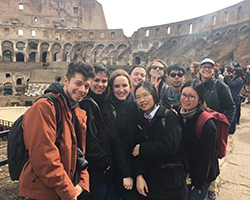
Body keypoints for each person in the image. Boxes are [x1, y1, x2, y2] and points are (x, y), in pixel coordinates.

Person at [19, 61, 94, 200]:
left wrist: (83, 182)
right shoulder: (44, 107)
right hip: (42, 192)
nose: (82, 90)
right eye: (78, 84)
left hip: (64, 188)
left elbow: (80, 152)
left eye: (86, 86)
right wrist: (68, 192)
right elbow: (44, 157)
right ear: (66, 81)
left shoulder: (76, 111)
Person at [79, 64, 132, 200]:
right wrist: (105, 161)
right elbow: (89, 139)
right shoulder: (87, 103)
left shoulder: (104, 102)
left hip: (106, 170)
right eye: (96, 80)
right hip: (96, 170)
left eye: (104, 81)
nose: (100, 85)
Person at [132, 81, 187, 200]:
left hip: (170, 181)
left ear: (154, 95)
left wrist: (143, 149)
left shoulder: (169, 116)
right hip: (149, 181)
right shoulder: (139, 120)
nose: (142, 100)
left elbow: (170, 146)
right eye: (138, 97)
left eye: (145, 95)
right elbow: (134, 151)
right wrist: (139, 175)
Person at [198, 58, 235, 200]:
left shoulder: (220, 86)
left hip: (213, 128)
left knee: (211, 158)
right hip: (198, 127)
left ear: (213, 70)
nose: (206, 69)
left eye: (209, 67)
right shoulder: (196, 85)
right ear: (200, 69)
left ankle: (211, 187)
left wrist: (225, 126)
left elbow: (230, 107)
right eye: (204, 67)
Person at [178, 79, 219, 200]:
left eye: (191, 97)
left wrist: (199, 183)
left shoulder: (207, 124)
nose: (186, 99)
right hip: (186, 170)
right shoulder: (180, 113)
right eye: (184, 95)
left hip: (202, 174)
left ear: (200, 99)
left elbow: (207, 157)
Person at [106, 69, 139, 200]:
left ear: (130, 86)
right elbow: (116, 142)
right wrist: (126, 173)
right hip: (120, 165)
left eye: (124, 85)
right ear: (112, 88)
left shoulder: (137, 105)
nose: (121, 90)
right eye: (117, 86)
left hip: (138, 163)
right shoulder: (109, 108)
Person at [223, 68, 243, 133]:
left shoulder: (239, 80)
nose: (232, 75)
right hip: (232, 97)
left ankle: (232, 129)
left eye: (234, 74)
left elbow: (231, 84)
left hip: (235, 98)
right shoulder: (234, 79)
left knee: (234, 115)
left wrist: (227, 76)